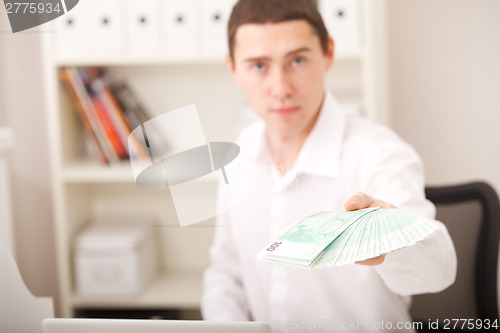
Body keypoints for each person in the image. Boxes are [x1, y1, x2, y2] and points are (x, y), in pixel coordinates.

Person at [201, 0, 457, 332]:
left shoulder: (380, 155)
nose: (280, 88)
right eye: (259, 66)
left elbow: (438, 271)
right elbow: (225, 273)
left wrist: (391, 239)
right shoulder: (237, 156)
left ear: (328, 53)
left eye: (297, 60)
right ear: (233, 67)